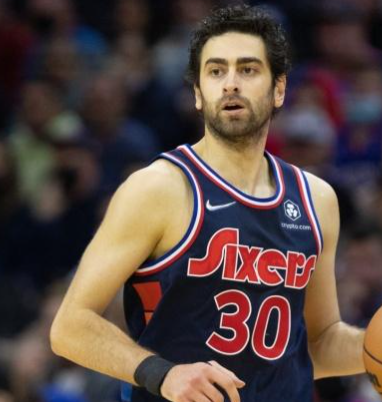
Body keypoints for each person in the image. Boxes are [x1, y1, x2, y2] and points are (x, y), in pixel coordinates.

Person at [50, 5, 365, 402]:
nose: (230, 84)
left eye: (247, 69)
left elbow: (317, 344)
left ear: (279, 89)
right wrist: (163, 374)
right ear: (198, 94)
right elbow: (70, 326)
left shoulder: (316, 199)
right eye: (216, 71)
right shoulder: (159, 187)